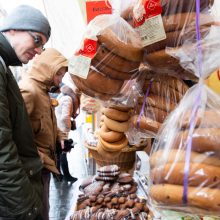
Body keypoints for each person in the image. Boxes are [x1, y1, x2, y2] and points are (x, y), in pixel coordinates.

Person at [0, 5, 50, 220]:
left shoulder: (4, 66)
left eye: (43, 47)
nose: (38, 51)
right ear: (13, 29)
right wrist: (25, 207)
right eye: (37, 40)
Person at [19, 48, 68, 220]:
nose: (60, 80)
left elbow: (48, 121)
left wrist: (60, 137)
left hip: (44, 165)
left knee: (44, 208)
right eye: (59, 74)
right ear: (47, 68)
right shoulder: (29, 91)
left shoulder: (42, 90)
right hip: (35, 167)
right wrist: (36, 155)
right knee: (40, 211)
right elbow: (13, 132)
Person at [55, 85, 80, 182]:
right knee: (63, 152)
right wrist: (70, 126)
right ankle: (66, 176)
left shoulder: (62, 96)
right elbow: (65, 117)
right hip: (62, 130)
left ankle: (58, 174)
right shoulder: (68, 99)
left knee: (59, 152)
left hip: (58, 128)